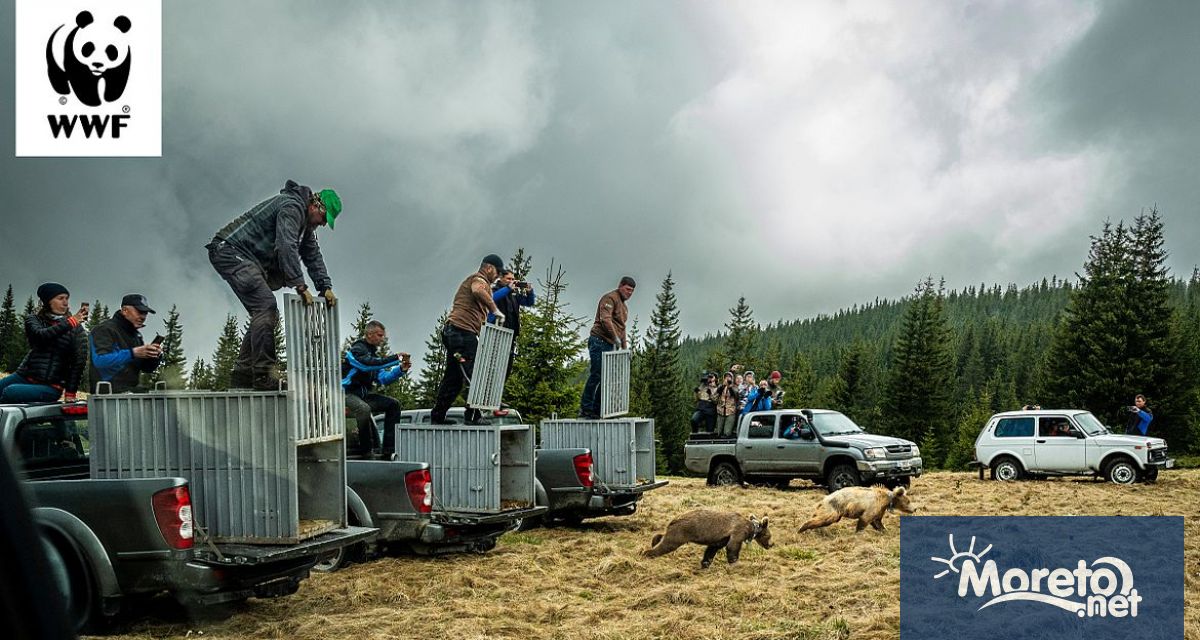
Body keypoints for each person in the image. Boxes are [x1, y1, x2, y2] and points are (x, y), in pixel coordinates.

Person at [207, 180, 341, 390]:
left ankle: (243, 374)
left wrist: (325, 286)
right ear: (316, 206)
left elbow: (312, 254)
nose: (323, 224)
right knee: (265, 307)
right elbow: (286, 245)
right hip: (230, 251)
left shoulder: (305, 224)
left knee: (266, 312)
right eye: (324, 218)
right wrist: (300, 285)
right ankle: (263, 375)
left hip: (247, 258)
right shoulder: (292, 207)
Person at [432, 255, 506, 426]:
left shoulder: (482, 282)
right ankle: (473, 416)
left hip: (455, 332)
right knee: (474, 373)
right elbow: (478, 290)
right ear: (488, 268)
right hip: (461, 332)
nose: (497, 276)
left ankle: (437, 416)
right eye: (497, 272)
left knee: (454, 379)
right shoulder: (479, 279)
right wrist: (494, 310)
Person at [0, 283, 87, 403]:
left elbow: (79, 363)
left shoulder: (77, 330)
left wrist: (70, 393)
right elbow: (41, 336)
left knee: (10, 392)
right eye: (60, 298)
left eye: (67, 298)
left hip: (51, 387)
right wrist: (70, 322)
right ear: (48, 301)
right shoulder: (34, 319)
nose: (65, 303)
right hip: (24, 376)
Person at [342, 320, 409, 458]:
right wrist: (396, 358)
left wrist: (400, 369)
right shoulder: (357, 350)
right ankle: (366, 451)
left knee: (393, 405)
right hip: (345, 394)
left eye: (383, 336)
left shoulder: (374, 355)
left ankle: (388, 451)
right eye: (379, 335)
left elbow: (383, 378)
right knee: (364, 409)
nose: (382, 339)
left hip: (362, 396)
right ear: (369, 334)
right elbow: (366, 365)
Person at [579, 276, 635, 419]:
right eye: (627, 289)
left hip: (610, 345)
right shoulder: (610, 298)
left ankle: (597, 410)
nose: (629, 293)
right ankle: (586, 408)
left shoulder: (624, 307)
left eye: (632, 291)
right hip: (599, 341)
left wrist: (624, 347)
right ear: (621, 286)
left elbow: (622, 328)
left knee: (606, 378)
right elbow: (606, 320)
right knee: (597, 374)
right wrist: (615, 338)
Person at [88, 294, 162, 393]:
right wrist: (132, 353)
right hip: (106, 396)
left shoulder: (135, 335)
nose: (143, 317)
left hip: (130, 393)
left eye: (145, 313)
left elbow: (146, 368)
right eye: (140, 312)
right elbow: (100, 360)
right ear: (124, 310)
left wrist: (154, 356)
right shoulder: (104, 330)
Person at [489, 269, 535, 377]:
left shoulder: (513, 294)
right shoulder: (494, 290)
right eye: (509, 279)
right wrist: (507, 288)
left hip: (510, 335)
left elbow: (529, 302)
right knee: (492, 365)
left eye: (513, 279)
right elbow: (492, 298)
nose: (511, 281)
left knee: (506, 368)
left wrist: (530, 292)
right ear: (501, 278)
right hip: (495, 332)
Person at [714, 371, 740, 438]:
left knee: (727, 432)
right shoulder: (721, 386)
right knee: (719, 432)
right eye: (726, 377)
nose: (728, 378)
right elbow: (716, 394)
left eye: (729, 377)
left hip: (730, 411)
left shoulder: (735, 387)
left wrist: (730, 387)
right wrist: (723, 386)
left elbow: (736, 395)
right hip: (720, 411)